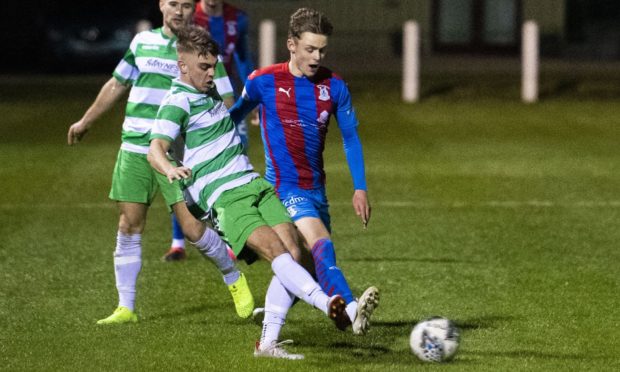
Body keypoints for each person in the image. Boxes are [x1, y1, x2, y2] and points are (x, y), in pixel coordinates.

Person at [148, 25, 373, 359]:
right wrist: (169, 168)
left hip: (254, 183)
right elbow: (155, 148)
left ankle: (267, 344)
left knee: (295, 252)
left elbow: (227, 119)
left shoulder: (206, 92)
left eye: (213, 66)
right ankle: (332, 306)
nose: (212, 74)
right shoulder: (176, 101)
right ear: (182, 65)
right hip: (224, 196)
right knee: (275, 252)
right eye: (204, 67)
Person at [67, 0, 253, 324]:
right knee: (129, 224)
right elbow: (117, 84)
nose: (179, 11)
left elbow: (225, 96)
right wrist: (86, 121)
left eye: (185, 5)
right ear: (161, 5)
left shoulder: (200, 50)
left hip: (174, 151)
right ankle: (126, 307)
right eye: (173, 4)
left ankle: (232, 276)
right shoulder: (142, 42)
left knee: (194, 228)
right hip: (135, 146)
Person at [230, 7, 379, 336]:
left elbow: (351, 138)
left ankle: (269, 326)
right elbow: (232, 118)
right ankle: (353, 309)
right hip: (284, 189)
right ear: (291, 45)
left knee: (303, 265)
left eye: (322, 50)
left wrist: (360, 187)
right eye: (310, 49)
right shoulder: (263, 81)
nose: (316, 56)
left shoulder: (334, 87)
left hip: (317, 190)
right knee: (320, 243)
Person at [163, 0, 253, 261]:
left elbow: (244, 58)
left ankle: (232, 235)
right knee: (184, 175)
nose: (181, 10)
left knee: (234, 165)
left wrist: (251, 97)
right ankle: (178, 240)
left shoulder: (239, 18)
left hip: (223, 97)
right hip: (193, 108)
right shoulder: (189, 18)